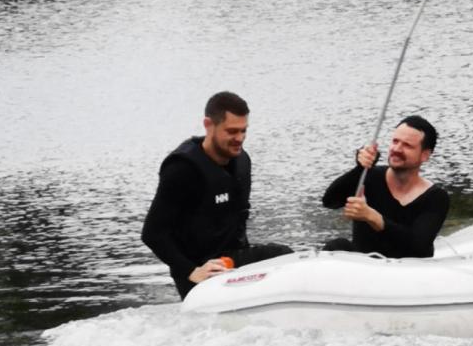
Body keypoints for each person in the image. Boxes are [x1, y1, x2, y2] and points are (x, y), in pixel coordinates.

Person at [141, 91, 292, 299]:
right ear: (209, 125)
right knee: (282, 255)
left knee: (286, 259)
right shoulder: (182, 169)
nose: (239, 138)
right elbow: (152, 233)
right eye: (232, 131)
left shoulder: (242, 161)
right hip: (202, 271)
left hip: (233, 260)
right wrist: (191, 271)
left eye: (243, 131)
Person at [322, 115, 450, 258]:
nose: (397, 149)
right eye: (395, 141)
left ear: (425, 155)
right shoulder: (369, 176)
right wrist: (360, 168)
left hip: (405, 269)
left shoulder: (436, 197)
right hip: (362, 265)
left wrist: (373, 217)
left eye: (407, 145)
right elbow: (329, 201)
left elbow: (417, 247)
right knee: (337, 246)